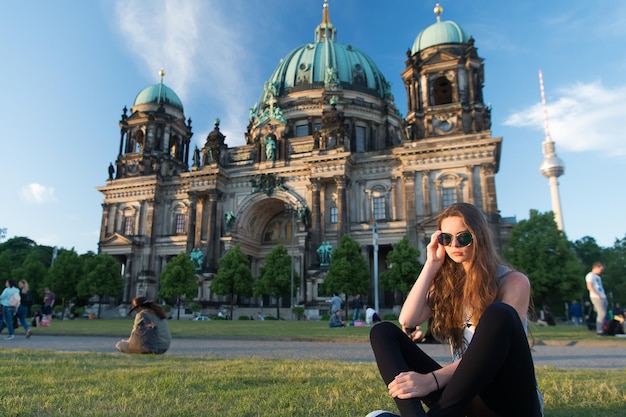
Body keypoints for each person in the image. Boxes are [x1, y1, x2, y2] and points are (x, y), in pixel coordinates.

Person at [368, 203, 543, 417]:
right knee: (383, 332)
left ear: (479, 236)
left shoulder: (513, 282)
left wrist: (431, 380)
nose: (454, 244)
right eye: (446, 238)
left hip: (510, 400)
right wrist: (431, 264)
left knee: (499, 314)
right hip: (463, 397)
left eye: (463, 237)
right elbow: (408, 319)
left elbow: (490, 357)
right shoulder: (448, 284)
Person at [586, 262, 607, 335]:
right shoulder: (590, 275)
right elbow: (589, 286)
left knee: (603, 313)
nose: (601, 271)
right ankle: (599, 330)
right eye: (600, 269)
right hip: (596, 296)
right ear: (596, 268)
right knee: (602, 313)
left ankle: (601, 327)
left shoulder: (598, 277)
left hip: (602, 296)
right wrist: (597, 295)